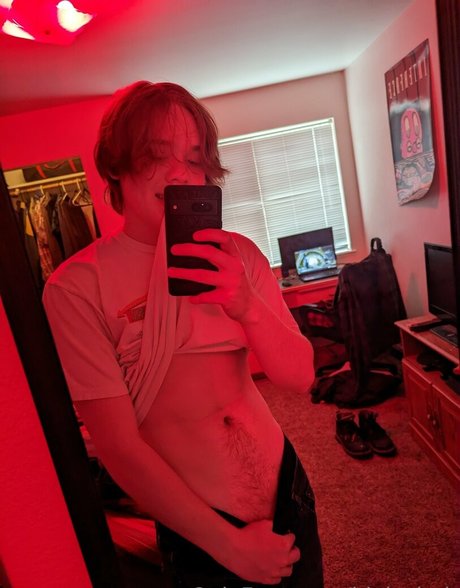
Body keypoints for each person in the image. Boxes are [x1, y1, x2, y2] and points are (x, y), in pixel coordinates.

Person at [43, 81, 323, 588]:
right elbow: (119, 448)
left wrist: (247, 304)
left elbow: (300, 377)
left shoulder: (238, 255)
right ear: (116, 165)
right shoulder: (77, 288)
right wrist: (230, 547)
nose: (180, 173)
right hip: (202, 532)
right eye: (156, 154)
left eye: (194, 158)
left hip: (289, 489)